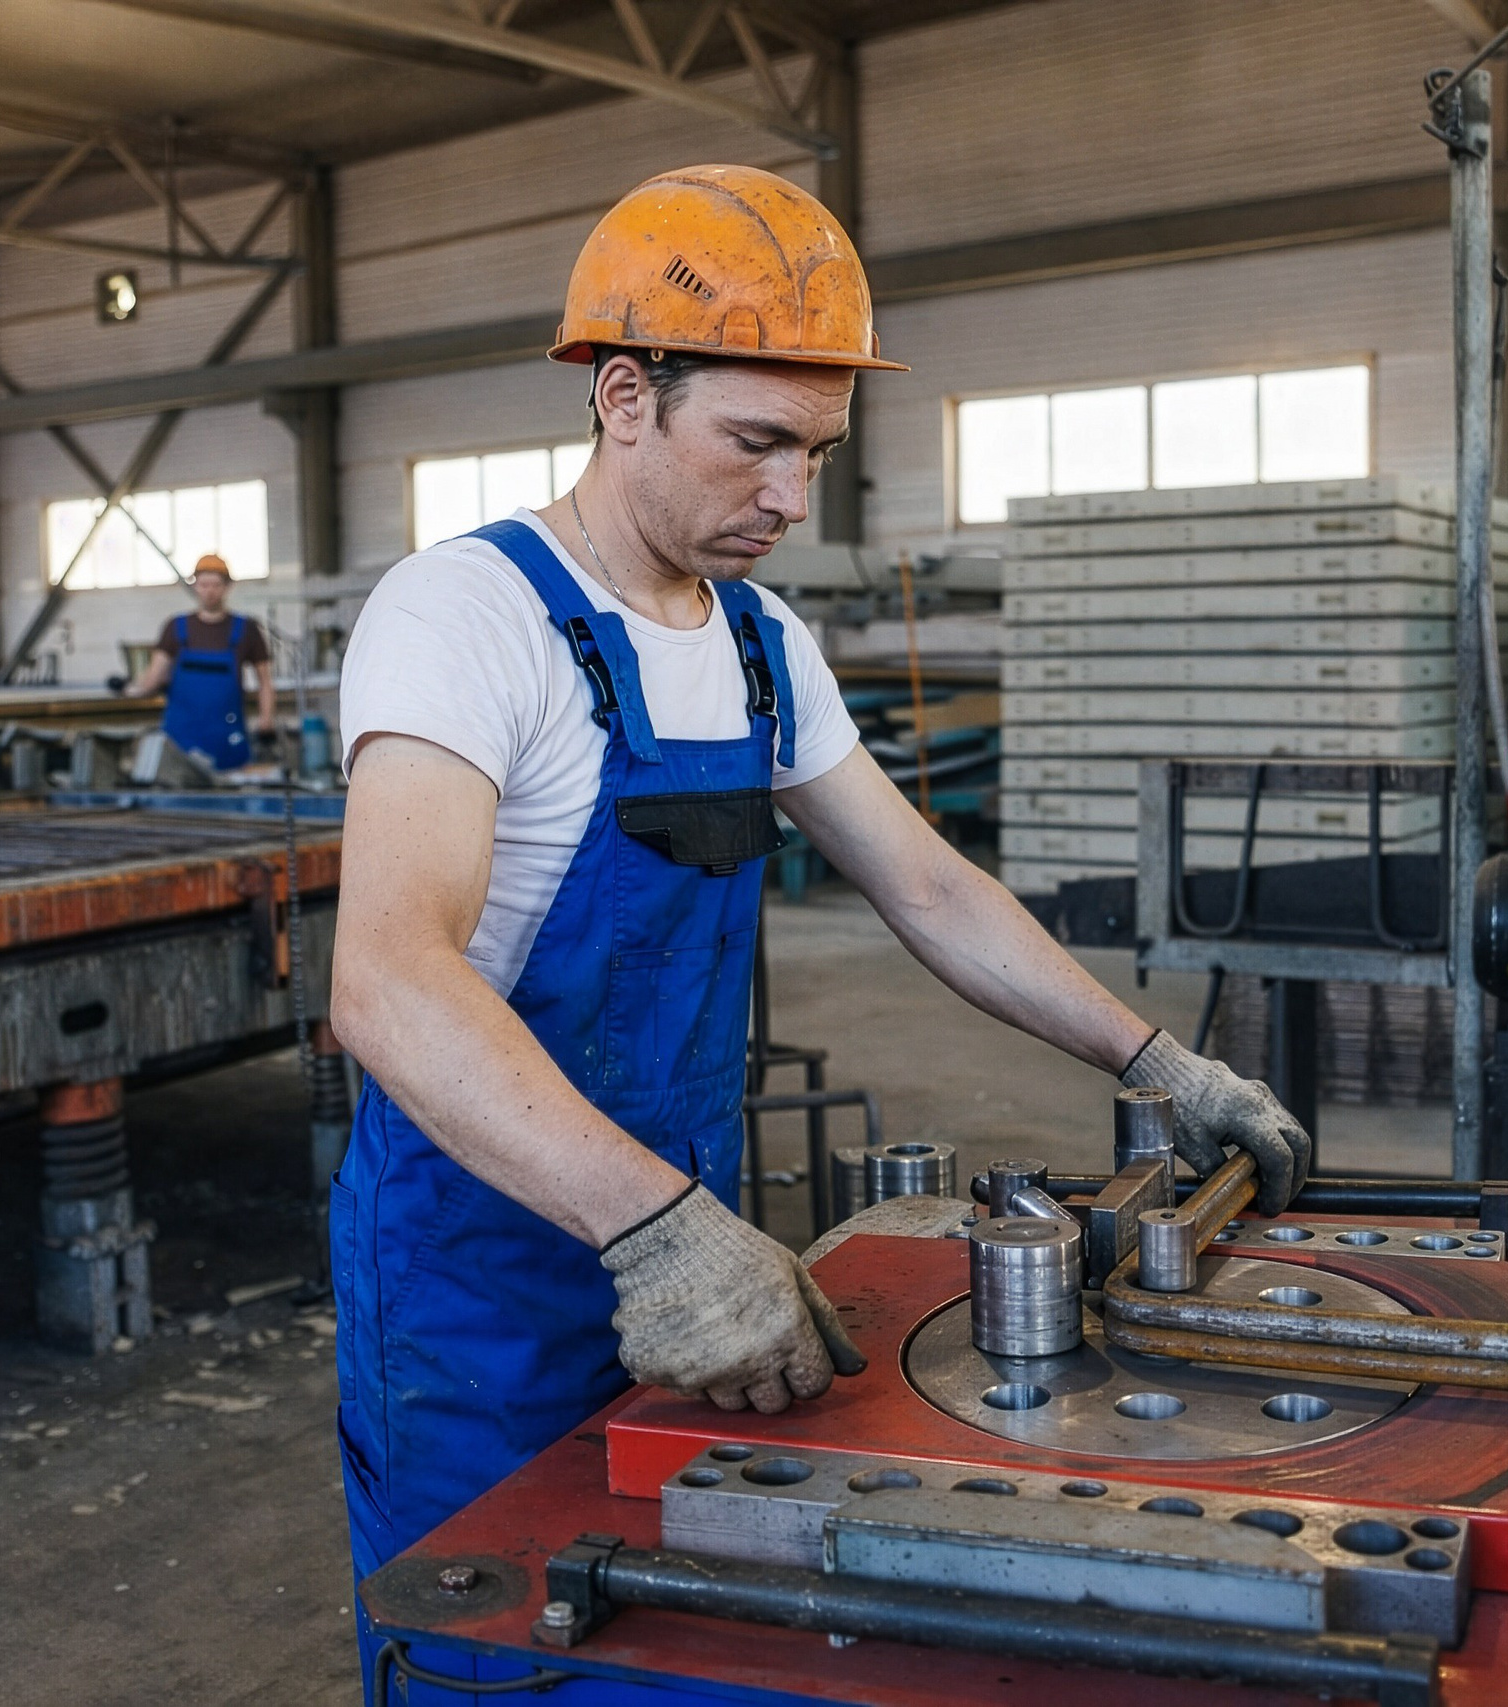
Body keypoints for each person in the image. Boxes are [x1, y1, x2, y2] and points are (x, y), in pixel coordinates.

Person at [327, 163, 1311, 1670]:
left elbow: (926, 883)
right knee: (503, 1642)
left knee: (684, 1628)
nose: (791, 497)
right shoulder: (466, 617)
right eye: (757, 443)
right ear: (622, 396)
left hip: (696, 1229)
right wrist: (653, 1231)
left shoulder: (765, 643)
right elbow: (389, 979)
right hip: (486, 1268)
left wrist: (1156, 1062)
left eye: (820, 452)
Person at [122, 552, 275, 769]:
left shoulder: (246, 630)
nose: (210, 591)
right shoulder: (175, 628)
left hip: (227, 743)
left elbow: (265, 683)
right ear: (195, 586)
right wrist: (130, 690)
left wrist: (266, 721)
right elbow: (153, 679)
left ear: (227, 587)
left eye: (216, 585)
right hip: (179, 742)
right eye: (204, 584)